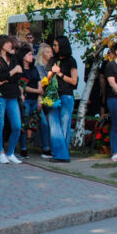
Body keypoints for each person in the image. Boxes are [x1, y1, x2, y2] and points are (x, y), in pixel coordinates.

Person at [0, 35, 23, 164]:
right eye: (8, 43)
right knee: (0, 124)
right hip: (0, 95)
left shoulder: (13, 57)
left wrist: (2, 80)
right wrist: (12, 72)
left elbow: (18, 76)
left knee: (17, 125)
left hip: (13, 94)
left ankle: (11, 152)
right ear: (1, 44)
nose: (10, 45)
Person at [46, 35, 78, 163]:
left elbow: (74, 81)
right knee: (54, 124)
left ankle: (62, 154)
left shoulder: (71, 61)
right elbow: (46, 79)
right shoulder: (52, 59)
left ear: (62, 46)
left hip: (66, 94)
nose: (53, 47)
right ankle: (59, 153)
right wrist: (49, 76)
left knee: (64, 124)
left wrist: (60, 74)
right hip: (53, 95)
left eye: (55, 45)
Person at [17, 44, 42, 159]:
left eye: (32, 54)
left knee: (39, 123)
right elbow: (23, 86)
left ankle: (45, 147)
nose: (32, 56)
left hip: (35, 99)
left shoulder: (34, 68)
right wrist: (37, 90)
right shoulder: (19, 68)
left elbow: (39, 82)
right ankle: (23, 148)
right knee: (24, 124)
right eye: (29, 54)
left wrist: (39, 95)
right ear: (23, 56)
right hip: (26, 99)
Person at [35, 44, 54, 157]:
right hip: (41, 96)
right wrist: (51, 75)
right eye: (47, 52)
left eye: (51, 51)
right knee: (44, 123)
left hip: (51, 97)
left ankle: (47, 145)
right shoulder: (39, 66)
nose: (50, 54)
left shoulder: (52, 65)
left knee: (49, 123)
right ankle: (45, 148)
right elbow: (42, 82)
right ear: (42, 54)